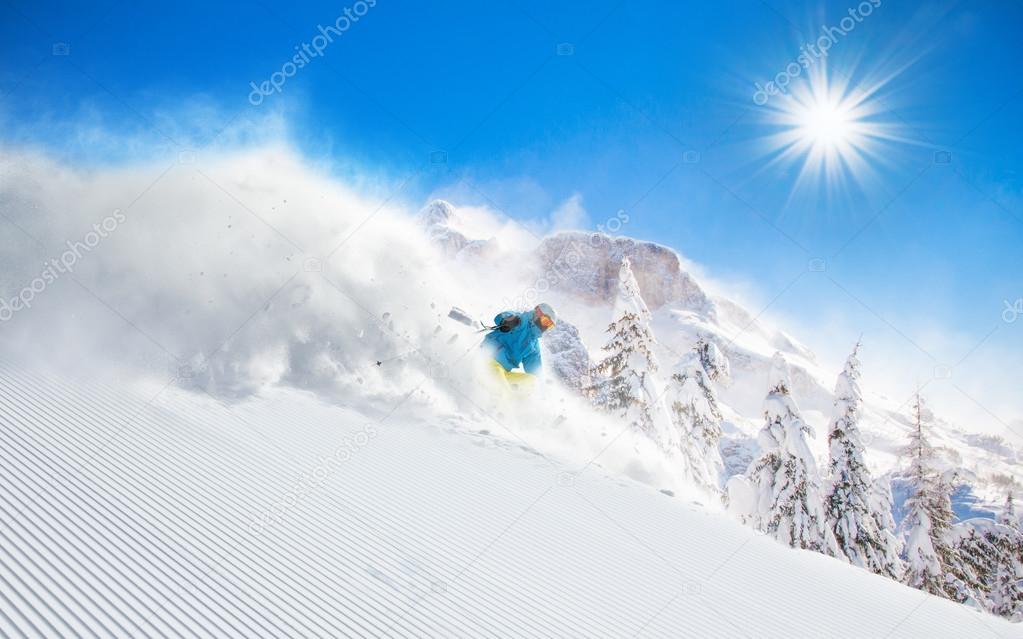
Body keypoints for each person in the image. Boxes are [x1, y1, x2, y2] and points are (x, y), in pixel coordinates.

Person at [481, 303, 557, 391]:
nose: (545, 327)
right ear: (538, 314)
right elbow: (501, 316)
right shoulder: (520, 320)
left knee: (532, 382)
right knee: (502, 388)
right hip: (487, 359)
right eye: (546, 321)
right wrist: (507, 321)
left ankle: (517, 401)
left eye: (549, 326)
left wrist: (542, 388)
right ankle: (498, 398)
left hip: (504, 373)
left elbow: (535, 370)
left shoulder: (533, 346)